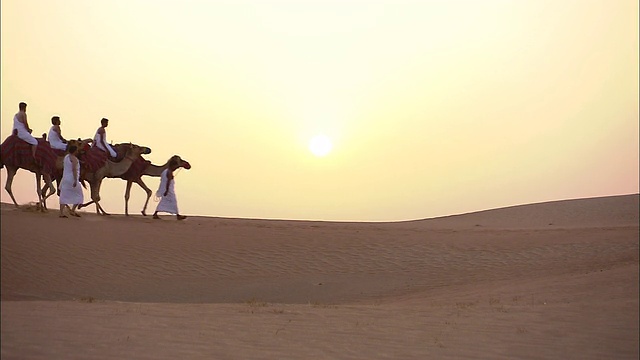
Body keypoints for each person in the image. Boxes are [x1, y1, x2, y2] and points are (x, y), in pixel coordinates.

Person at [59, 144, 83, 218]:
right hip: (71, 179)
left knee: (63, 195)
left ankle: (61, 213)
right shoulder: (74, 159)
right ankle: (72, 210)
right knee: (80, 195)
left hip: (65, 178)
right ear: (75, 151)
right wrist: (75, 180)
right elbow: (74, 169)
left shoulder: (66, 157)